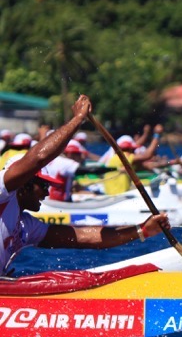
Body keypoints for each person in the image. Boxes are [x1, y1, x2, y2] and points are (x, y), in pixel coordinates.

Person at [1, 95, 171, 277]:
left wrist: (142, 230)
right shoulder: (2, 192)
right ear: (24, 184)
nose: (47, 192)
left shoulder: (27, 226)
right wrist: (77, 119)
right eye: (43, 185)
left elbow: (84, 237)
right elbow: (38, 159)